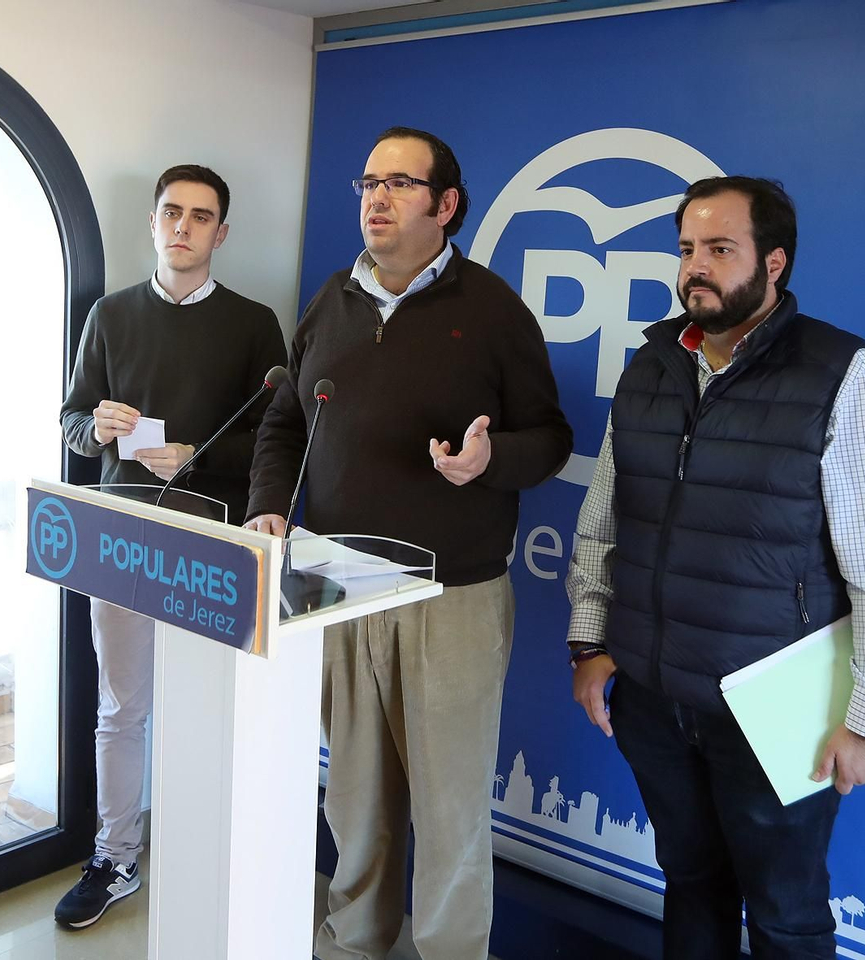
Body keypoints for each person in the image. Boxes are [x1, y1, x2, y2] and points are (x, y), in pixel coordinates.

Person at [565, 176, 865, 960]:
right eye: (687, 250)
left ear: (774, 264)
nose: (696, 267)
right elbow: (606, 519)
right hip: (656, 698)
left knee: (785, 914)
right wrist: (591, 643)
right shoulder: (654, 363)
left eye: (720, 250)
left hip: (774, 709)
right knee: (692, 885)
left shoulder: (845, 375)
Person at [246, 127, 572, 960]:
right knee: (354, 800)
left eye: (397, 184)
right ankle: (355, 943)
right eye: (367, 183)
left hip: (449, 597)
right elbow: (285, 423)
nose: (375, 199)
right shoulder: (331, 299)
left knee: (449, 807)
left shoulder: (493, 310)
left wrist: (492, 457)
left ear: (446, 205)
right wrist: (267, 507)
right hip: (334, 584)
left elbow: (552, 438)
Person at [54, 163, 286, 929]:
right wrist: (100, 429)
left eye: (200, 216)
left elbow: (275, 439)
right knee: (122, 708)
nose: (183, 227)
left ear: (222, 233)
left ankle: (199, 851)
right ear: (152, 223)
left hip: (209, 543)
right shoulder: (110, 317)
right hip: (120, 537)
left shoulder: (254, 325)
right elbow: (72, 423)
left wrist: (194, 454)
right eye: (171, 213)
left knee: (209, 710)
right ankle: (115, 857)